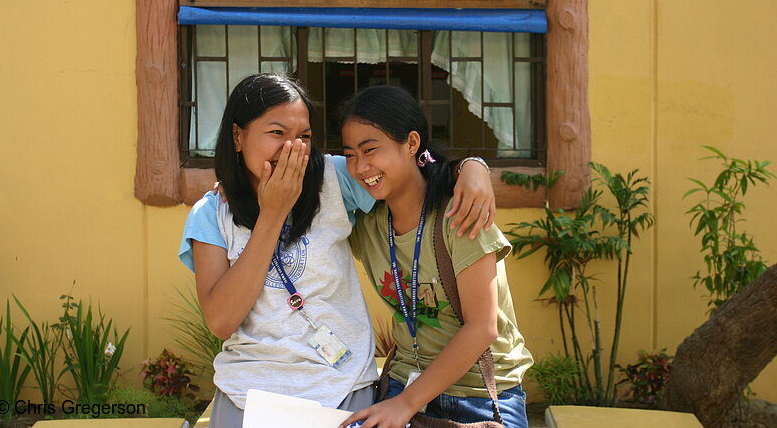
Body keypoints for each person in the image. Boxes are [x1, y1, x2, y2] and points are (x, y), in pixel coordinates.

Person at [178, 74, 497, 428]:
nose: (292, 149)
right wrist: (272, 213)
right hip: (248, 395)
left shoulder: (335, 178)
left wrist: (473, 168)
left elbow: (411, 169)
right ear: (238, 137)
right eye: (277, 133)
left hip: (343, 390)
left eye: (304, 137)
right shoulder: (211, 214)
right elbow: (221, 322)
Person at [340, 85, 534, 428]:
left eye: (371, 150)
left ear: (412, 144)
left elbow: (482, 327)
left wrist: (406, 404)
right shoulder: (367, 224)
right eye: (351, 155)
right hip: (403, 384)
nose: (360, 167)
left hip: (478, 393)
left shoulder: (460, 215)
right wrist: (237, 188)